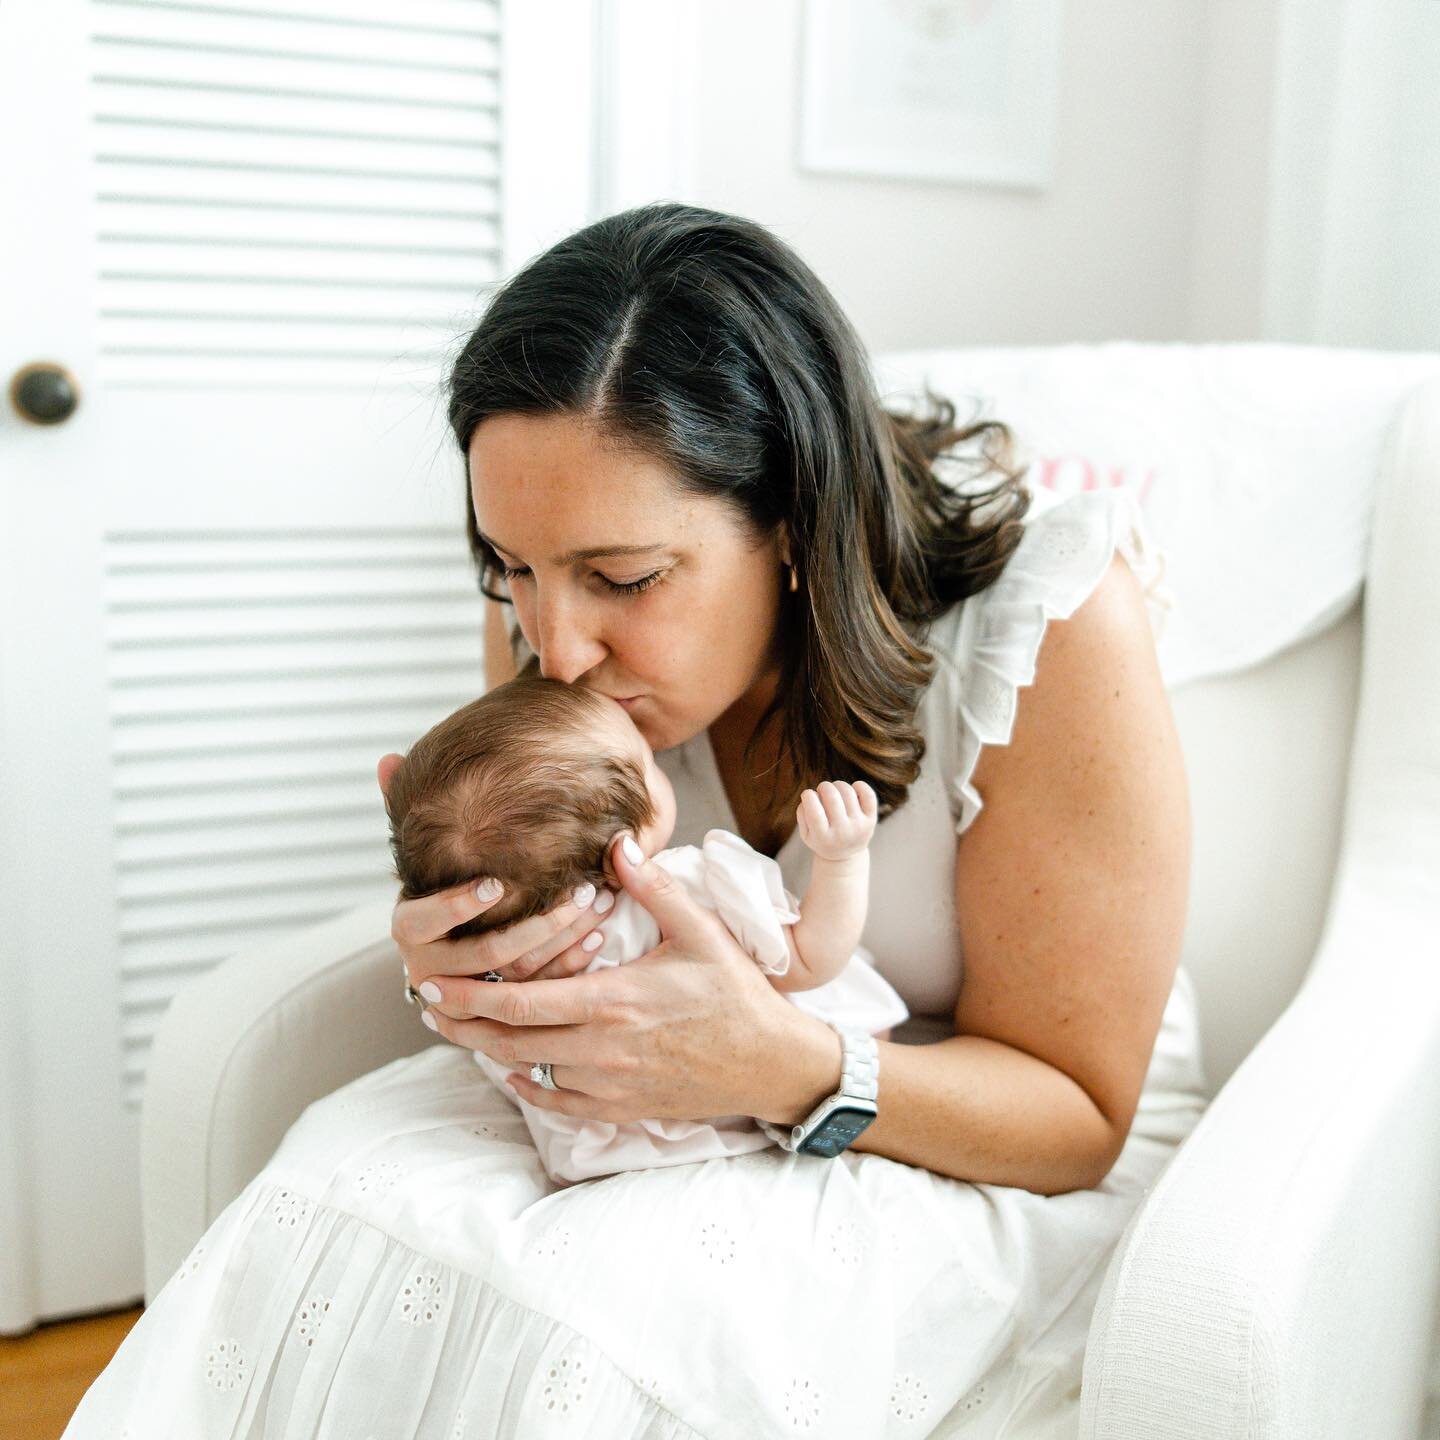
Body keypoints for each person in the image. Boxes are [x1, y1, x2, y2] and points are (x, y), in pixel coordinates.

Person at [62, 202, 1207, 1438]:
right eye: (509, 567)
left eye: (624, 579)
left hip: (981, 1133)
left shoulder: (1053, 627)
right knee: (330, 1212)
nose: (552, 646)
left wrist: (787, 1064)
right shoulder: (553, 634)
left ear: (793, 523)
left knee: (598, 1331)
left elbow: (1082, 1115)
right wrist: (469, 971)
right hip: (685, 1111)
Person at [382, 674, 907, 1184]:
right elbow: (812, 960)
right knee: (851, 1017)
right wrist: (842, 859)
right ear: (627, 843)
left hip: (591, 1152)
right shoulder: (699, 885)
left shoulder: (510, 951)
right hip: (748, 1106)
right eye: (649, 762)